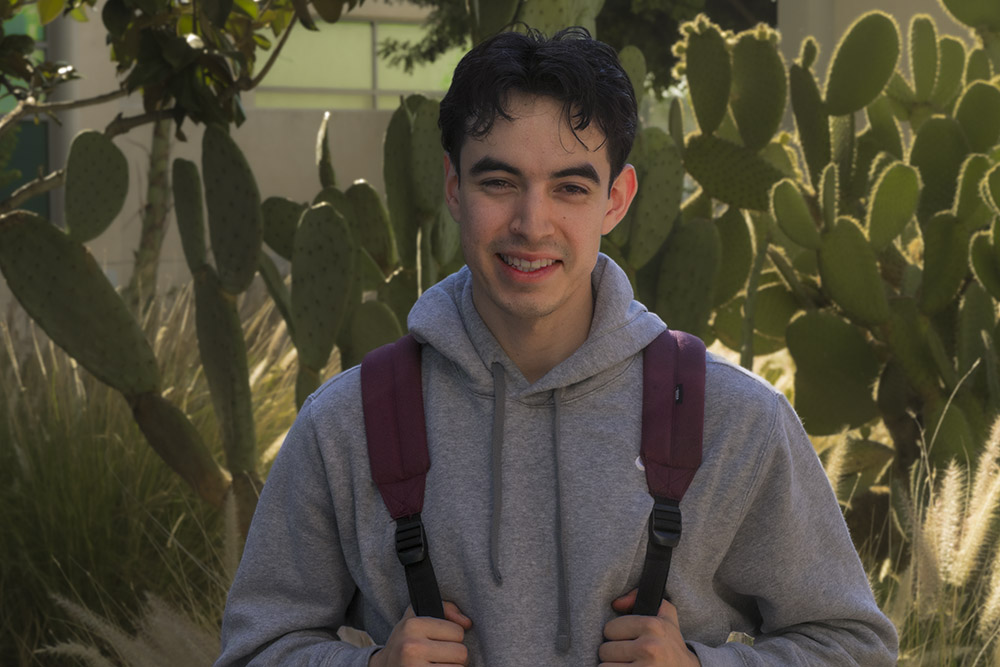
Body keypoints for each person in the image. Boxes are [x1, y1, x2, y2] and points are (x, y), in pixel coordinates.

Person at [215, 27, 898, 666]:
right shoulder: (348, 423)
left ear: (617, 199)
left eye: (570, 187)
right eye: (498, 181)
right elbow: (255, 647)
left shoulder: (734, 420)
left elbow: (853, 644)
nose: (531, 223)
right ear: (454, 188)